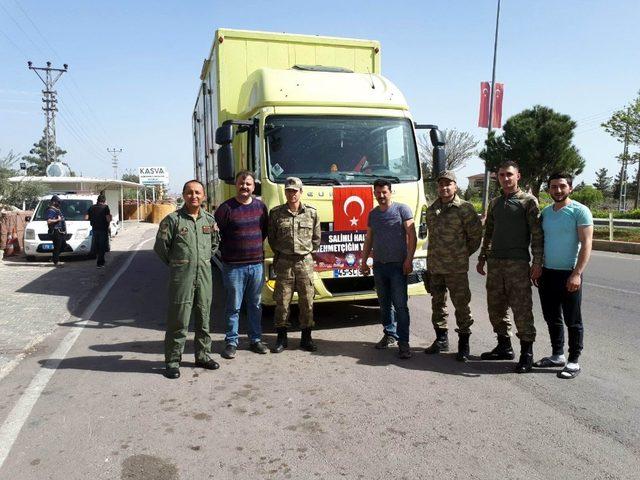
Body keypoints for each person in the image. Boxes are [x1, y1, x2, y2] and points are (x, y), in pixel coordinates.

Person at [476, 160, 543, 373]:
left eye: (509, 174)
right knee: (495, 307)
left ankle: (526, 353)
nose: (506, 178)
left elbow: (537, 235)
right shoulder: (495, 203)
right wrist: (482, 257)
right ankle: (504, 346)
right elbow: (489, 232)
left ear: (518, 176)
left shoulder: (528, 201)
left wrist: (537, 262)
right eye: (502, 175)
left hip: (518, 264)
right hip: (495, 264)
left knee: (521, 308)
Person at [154, 180, 220, 379]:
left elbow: (215, 244)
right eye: (190, 192)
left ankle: (203, 355)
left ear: (204, 196)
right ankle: (173, 361)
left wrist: (201, 261)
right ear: (183, 195)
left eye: (198, 193)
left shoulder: (209, 220)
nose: (194, 196)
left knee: (204, 318)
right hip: (182, 278)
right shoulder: (173, 220)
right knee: (179, 320)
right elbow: (161, 247)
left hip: (205, 277)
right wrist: (179, 264)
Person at [534, 172, 593, 379]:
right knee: (552, 317)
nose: (557, 190)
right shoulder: (546, 212)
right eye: (553, 187)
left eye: (562, 186)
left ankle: (574, 360)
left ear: (570, 188)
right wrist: (538, 266)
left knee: (573, 320)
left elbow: (587, 244)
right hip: (547, 273)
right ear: (548, 189)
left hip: (569, 274)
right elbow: (540, 242)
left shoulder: (580, 211)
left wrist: (577, 274)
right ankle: (557, 355)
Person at [423, 171, 483, 361]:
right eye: (441, 184)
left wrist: (462, 254)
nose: (444, 188)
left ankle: (463, 344)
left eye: (448, 184)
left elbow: (475, 237)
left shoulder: (465, 208)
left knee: (461, 306)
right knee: (437, 304)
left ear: (455, 186)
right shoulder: (432, 209)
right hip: (435, 267)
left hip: (456, 268)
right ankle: (441, 339)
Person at [215, 171, 269, 359]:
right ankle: (231, 342)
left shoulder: (261, 207)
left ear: (254, 187)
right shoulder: (225, 208)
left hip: (256, 265)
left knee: (255, 305)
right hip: (233, 267)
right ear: (236, 185)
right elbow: (217, 236)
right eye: (241, 183)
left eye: (248, 184)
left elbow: (263, 232)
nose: (244, 187)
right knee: (233, 306)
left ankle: (255, 340)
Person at [360, 179, 416, 359]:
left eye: (384, 192)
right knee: (384, 305)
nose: (381, 196)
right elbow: (369, 239)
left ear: (390, 192)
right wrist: (363, 261)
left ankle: (404, 343)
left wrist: (409, 259)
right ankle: (390, 334)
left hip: (398, 266)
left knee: (400, 305)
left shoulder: (402, 210)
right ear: (374, 194)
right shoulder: (373, 214)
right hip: (379, 266)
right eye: (378, 192)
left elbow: (411, 234)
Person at [268, 176, 321, 353]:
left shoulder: (311, 213)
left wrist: (305, 252)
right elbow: (272, 238)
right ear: (285, 192)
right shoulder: (276, 213)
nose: (292, 194)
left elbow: (317, 239)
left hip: (304, 262)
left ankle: (306, 338)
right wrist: (282, 253)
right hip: (284, 262)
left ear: (301, 192)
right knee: (282, 301)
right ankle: (281, 338)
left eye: (295, 191)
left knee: (307, 300)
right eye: (288, 191)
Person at [85, 193, 112, 268]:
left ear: (97, 200)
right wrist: (110, 218)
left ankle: (96, 259)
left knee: (95, 245)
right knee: (102, 247)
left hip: (94, 229)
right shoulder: (105, 207)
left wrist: (93, 219)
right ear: (104, 201)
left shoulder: (91, 207)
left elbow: (86, 217)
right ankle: (100, 263)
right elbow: (108, 219)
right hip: (103, 229)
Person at [46, 195, 67, 266]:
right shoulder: (51, 210)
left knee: (64, 245)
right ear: (54, 202)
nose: (59, 203)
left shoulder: (57, 209)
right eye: (58, 202)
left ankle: (54, 257)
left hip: (61, 231)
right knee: (57, 247)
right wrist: (57, 220)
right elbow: (49, 221)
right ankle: (56, 261)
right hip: (55, 231)